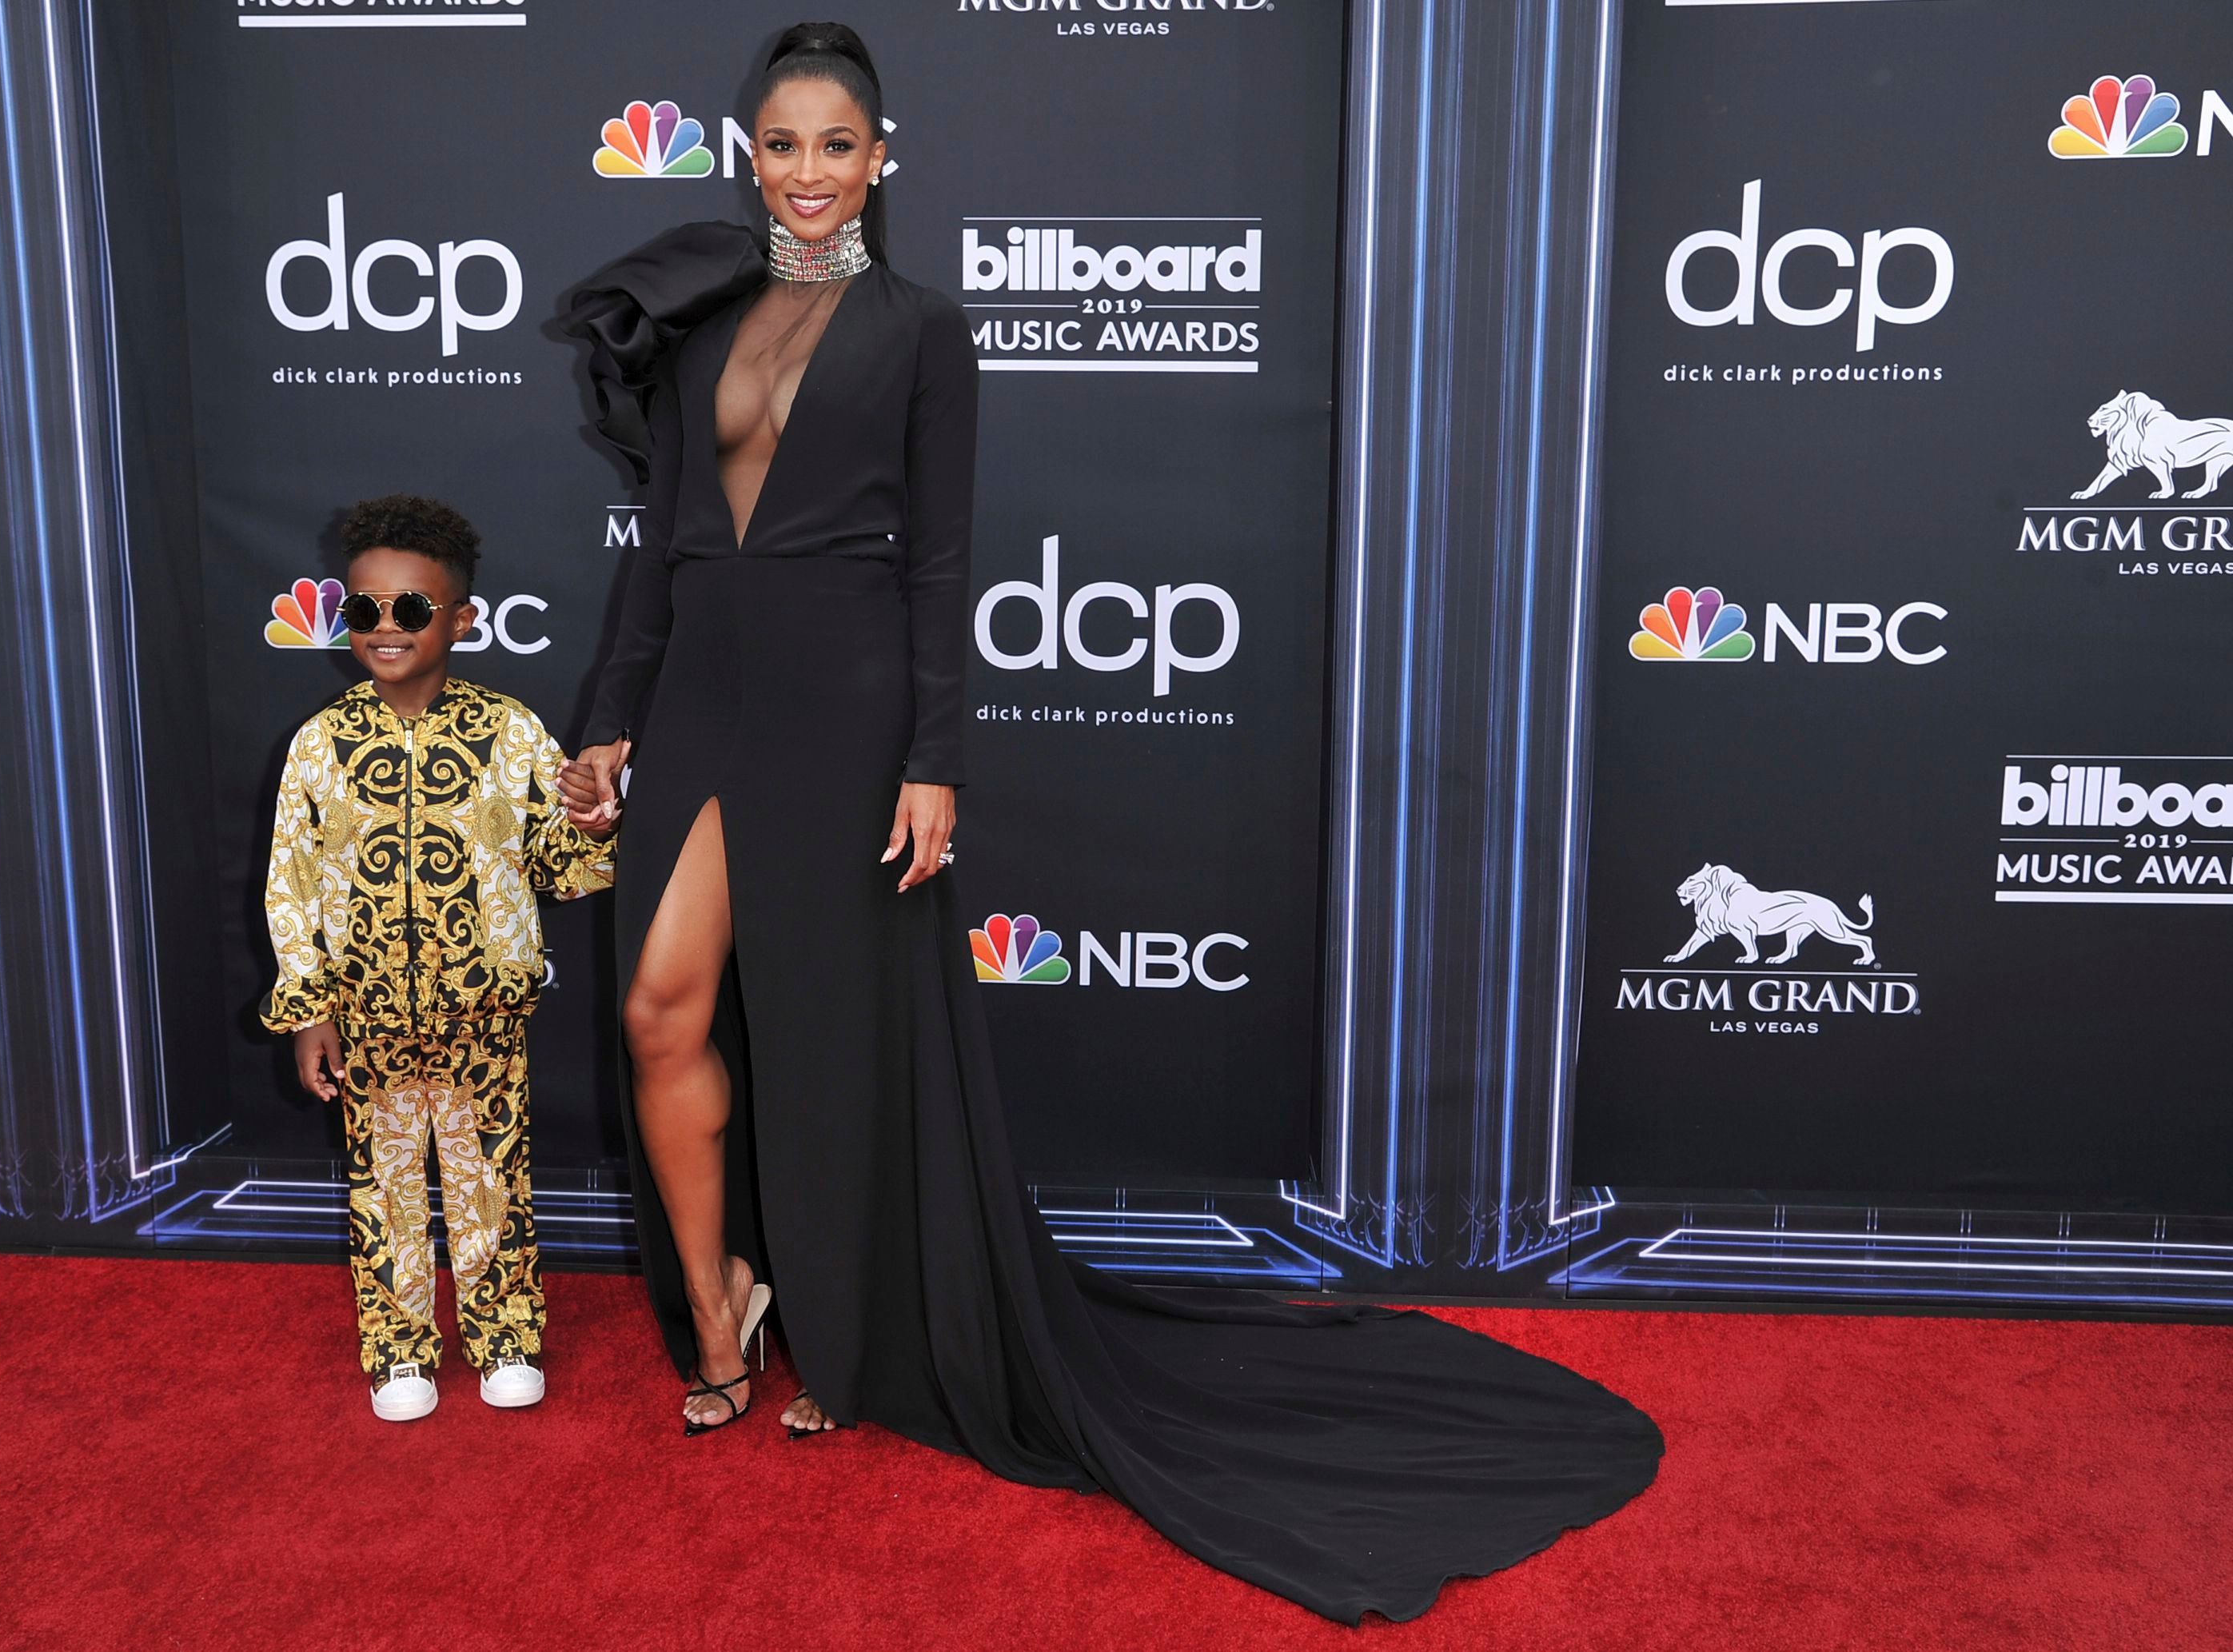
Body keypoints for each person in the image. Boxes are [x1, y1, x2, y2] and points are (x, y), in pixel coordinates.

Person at [559, 22, 1662, 1622]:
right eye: (781, 143)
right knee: (662, 1004)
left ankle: (850, 1342)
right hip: (702, 692)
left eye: (836, 143)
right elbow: (655, 547)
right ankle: (722, 1306)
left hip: (850, 697)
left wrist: (934, 756)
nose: (808, 171)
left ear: (885, 158)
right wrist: (606, 716)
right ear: (751, 157)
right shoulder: (698, 318)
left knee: (827, 1033)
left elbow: (939, 561)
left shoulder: (925, 329)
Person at [261, 494, 613, 1423]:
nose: (384, 627)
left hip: (484, 1014)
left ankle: (504, 1335)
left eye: (410, 609)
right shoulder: (319, 746)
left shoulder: (511, 733)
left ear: (460, 618)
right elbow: (289, 886)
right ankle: (401, 1348)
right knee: (383, 1191)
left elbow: (567, 874)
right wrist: (309, 1008)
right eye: (363, 608)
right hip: (366, 1014)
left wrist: (590, 818)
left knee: (490, 1178)